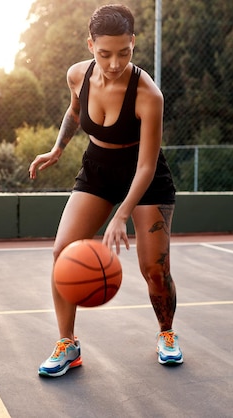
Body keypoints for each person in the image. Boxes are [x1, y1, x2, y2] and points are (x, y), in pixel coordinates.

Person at [29, 4, 183, 377]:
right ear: (90, 45)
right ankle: (68, 343)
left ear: (133, 43)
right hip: (98, 168)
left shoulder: (149, 95)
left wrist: (122, 214)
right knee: (61, 250)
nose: (114, 63)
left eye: (124, 53)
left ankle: (167, 333)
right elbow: (75, 112)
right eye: (104, 53)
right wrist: (58, 147)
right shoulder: (77, 75)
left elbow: (146, 166)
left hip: (145, 180)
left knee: (154, 269)